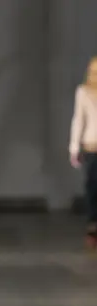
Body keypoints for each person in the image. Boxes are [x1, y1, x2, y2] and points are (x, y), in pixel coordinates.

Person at [70, 56, 97, 250]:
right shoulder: (83, 92)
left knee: (92, 188)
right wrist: (74, 147)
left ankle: (93, 226)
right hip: (91, 146)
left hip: (90, 146)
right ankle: (93, 226)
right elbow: (78, 120)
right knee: (92, 188)